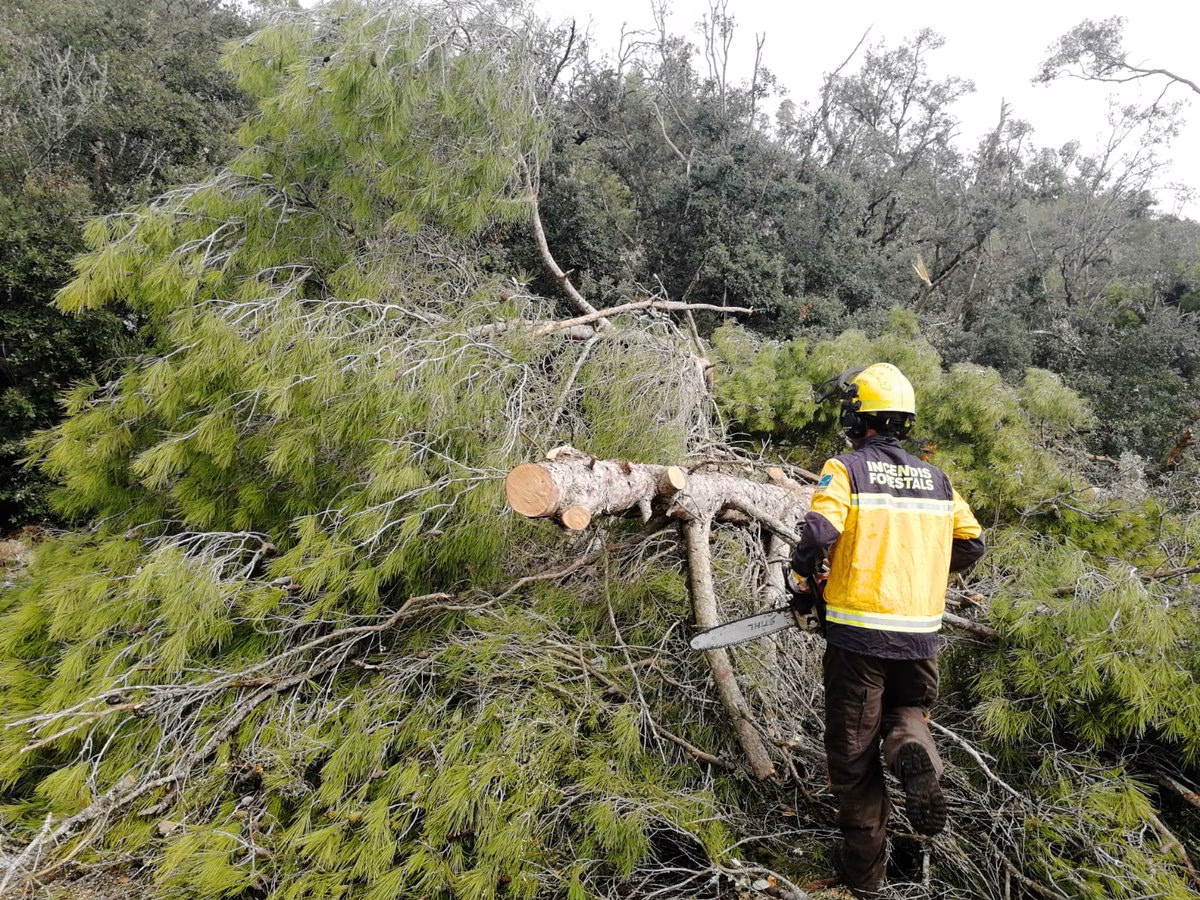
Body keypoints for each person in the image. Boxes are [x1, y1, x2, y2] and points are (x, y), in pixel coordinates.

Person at [785, 362, 985, 896]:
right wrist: (916, 568)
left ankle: (865, 881)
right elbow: (971, 543)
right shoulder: (936, 479)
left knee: (853, 761)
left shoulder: (846, 468)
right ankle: (913, 755)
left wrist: (806, 583)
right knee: (906, 715)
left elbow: (816, 533)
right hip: (920, 635)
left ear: (858, 415)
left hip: (858, 638)